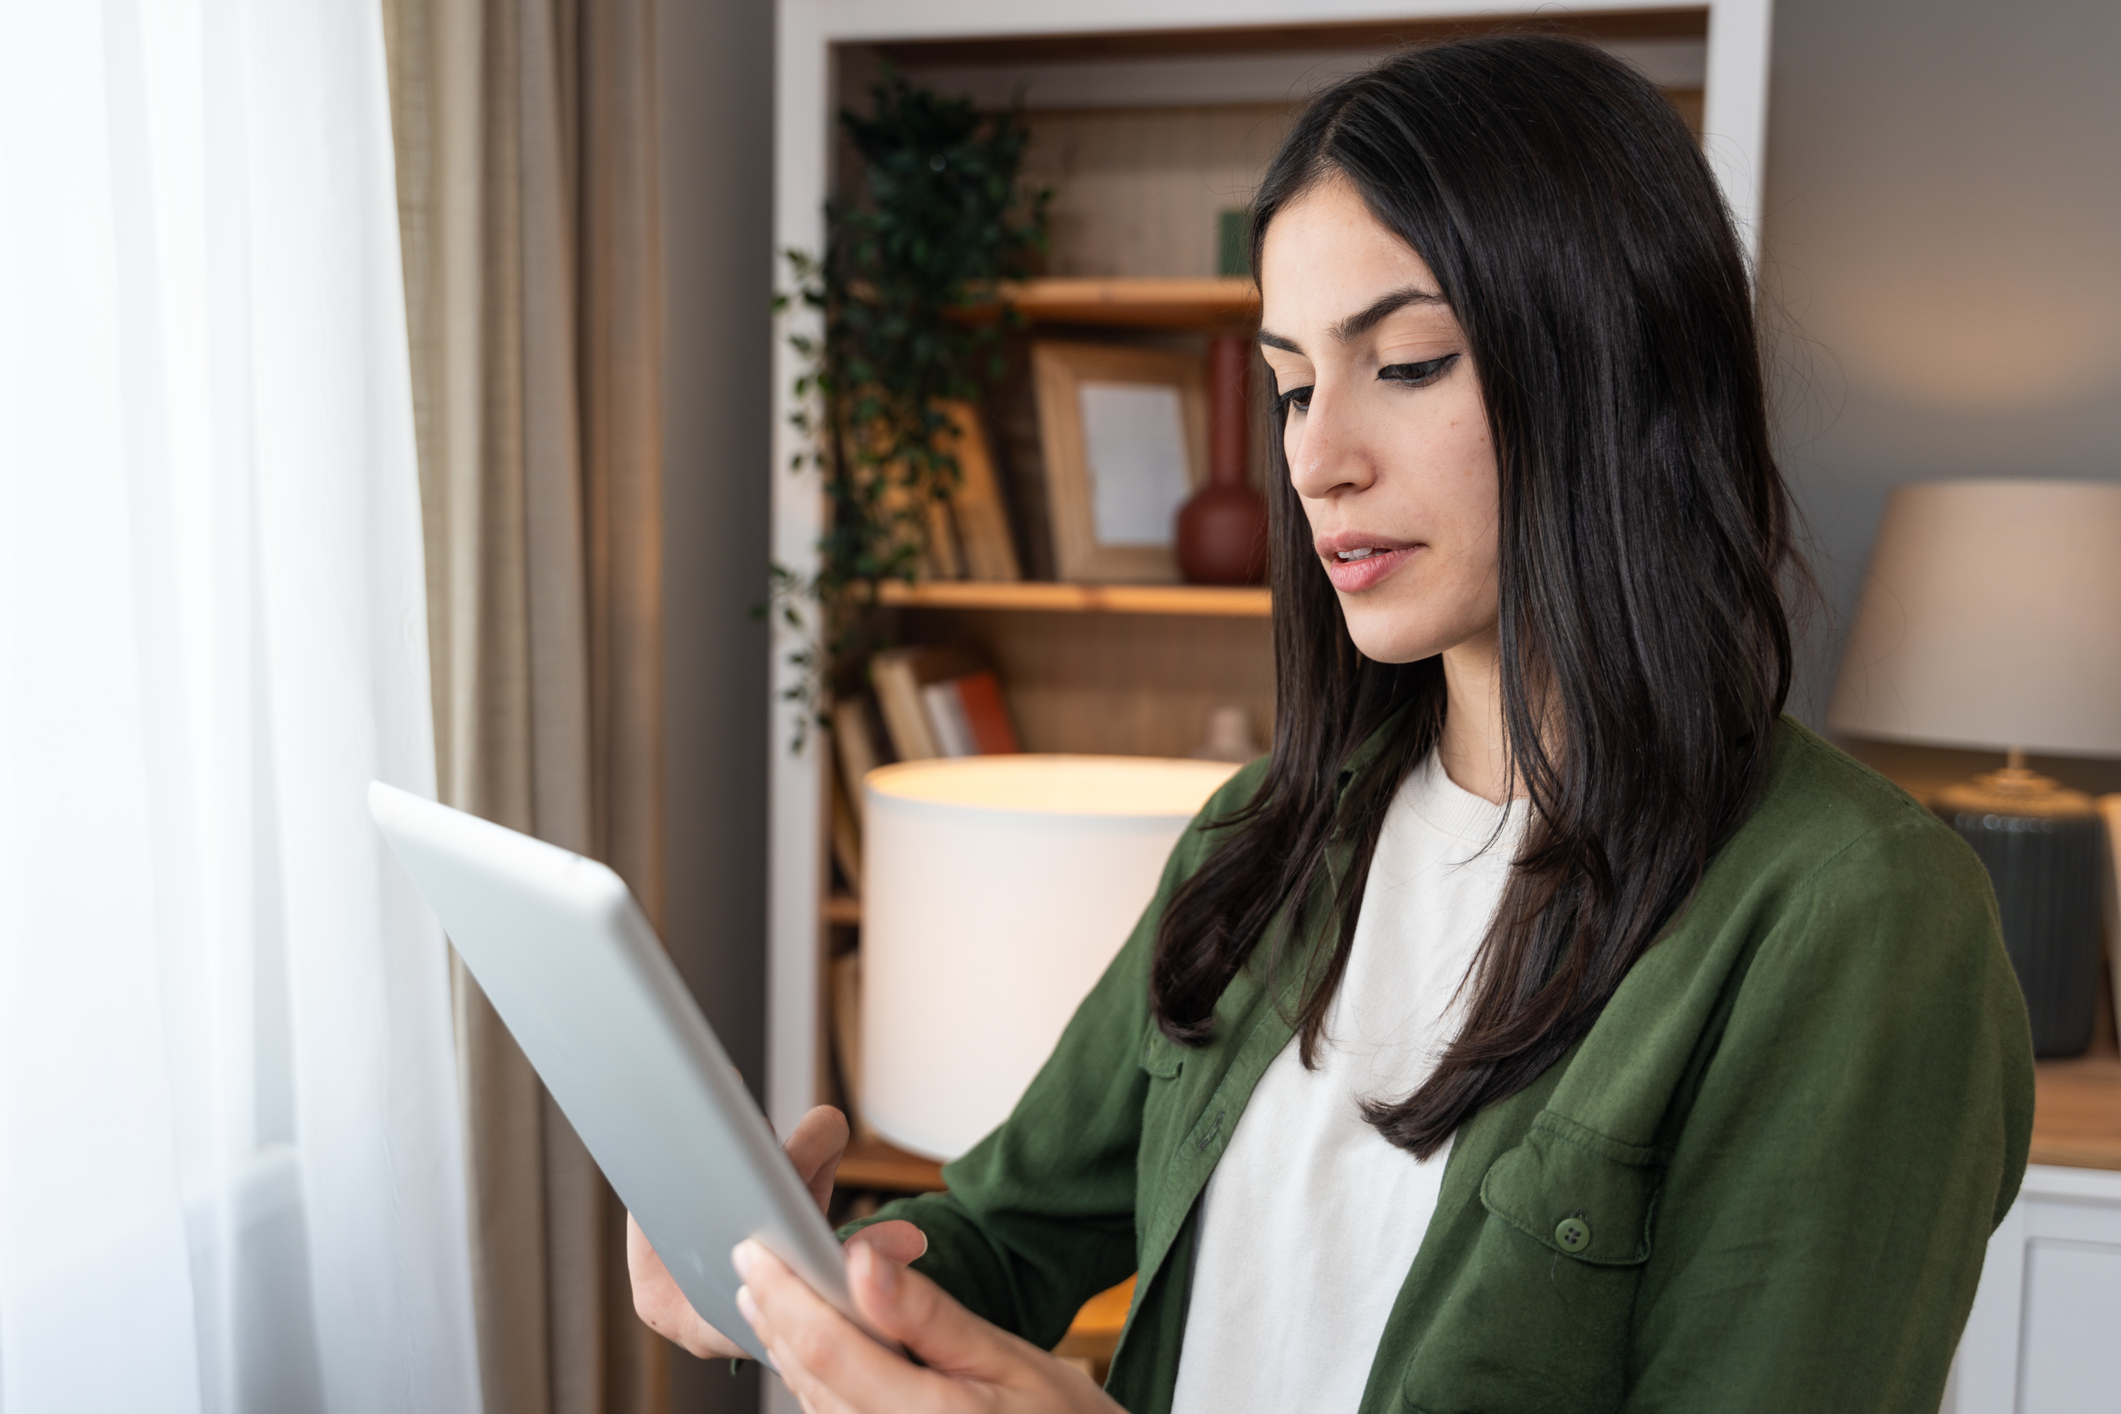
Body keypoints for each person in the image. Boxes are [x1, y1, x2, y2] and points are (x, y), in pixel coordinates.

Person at [629, 34, 2033, 1413]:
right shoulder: (1268, 832)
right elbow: (1008, 1230)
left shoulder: (1855, 920)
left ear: (1617, 365)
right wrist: (802, 1277)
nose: (1315, 456)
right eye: (1293, 383)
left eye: (1407, 363)